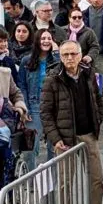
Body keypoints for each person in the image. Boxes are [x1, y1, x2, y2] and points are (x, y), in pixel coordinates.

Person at [40, 40, 103, 204]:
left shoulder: (89, 73)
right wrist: (55, 139)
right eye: (65, 55)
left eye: (73, 54)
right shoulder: (52, 79)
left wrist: (98, 119)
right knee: (65, 181)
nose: (69, 58)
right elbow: (46, 113)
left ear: (80, 55)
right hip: (65, 139)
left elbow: (97, 98)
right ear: (60, 57)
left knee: (97, 178)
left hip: (89, 134)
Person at [19, 29, 58, 166]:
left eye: (49, 38)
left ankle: (50, 183)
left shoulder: (57, 60)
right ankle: (30, 182)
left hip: (53, 106)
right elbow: (22, 86)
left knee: (53, 148)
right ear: (37, 41)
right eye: (43, 38)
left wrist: (56, 52)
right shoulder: (26, 60)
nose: (46, 41)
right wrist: (25, 108)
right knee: (30, 148)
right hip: (34, 106)